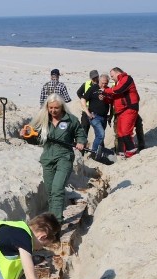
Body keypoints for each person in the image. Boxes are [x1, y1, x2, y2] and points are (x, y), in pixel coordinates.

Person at [20, 93, 87, 221]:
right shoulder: (44, 121)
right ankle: (55, 217)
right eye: (50, 108)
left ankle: (55, 223)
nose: (53, 111)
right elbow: (38, 141)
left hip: (64, 157)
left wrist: (81, 142)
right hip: (48, 158)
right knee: (50, 191)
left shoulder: (71, 120)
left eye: (56, 108)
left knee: (57, 189)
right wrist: (26, 136)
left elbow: (80, 134)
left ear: (61, 107)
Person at [101, 67, 140, 158]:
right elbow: (114, 97)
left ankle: (131, 150)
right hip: (121, 110)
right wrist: (105, 97)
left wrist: (106, 91)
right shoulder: (117, 83)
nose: (111, 78)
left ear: (117, 73)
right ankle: (122, 152)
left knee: (126, 131)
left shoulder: (127, 79)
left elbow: (119, 89)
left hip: (129, 108)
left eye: (112, 76)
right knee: (121, 132)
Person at [82, 73, 112, 156]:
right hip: (94, 116)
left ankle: (100, 152)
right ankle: (94, 153)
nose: (103, 85)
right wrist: (87, 113)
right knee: (101, 134)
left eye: (105, 83)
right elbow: (83, 99)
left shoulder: (108, 90)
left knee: (99, 135)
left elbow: (111, 103)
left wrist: (111, 115)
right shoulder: (93, 88)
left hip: (104, 117)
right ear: (99, 81)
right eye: (102, 83)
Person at [76, 70, 100, 136]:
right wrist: (83, 100)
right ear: (91, 78)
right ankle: (83, 143)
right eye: (93, 78)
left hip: (97, 110)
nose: (95, 79)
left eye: (96, 77)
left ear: (98, 76)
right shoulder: (86, 84)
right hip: (86, 110)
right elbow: (79, 93)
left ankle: (100, 145)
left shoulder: (101, 84)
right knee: (84, 127)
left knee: (99, 129)